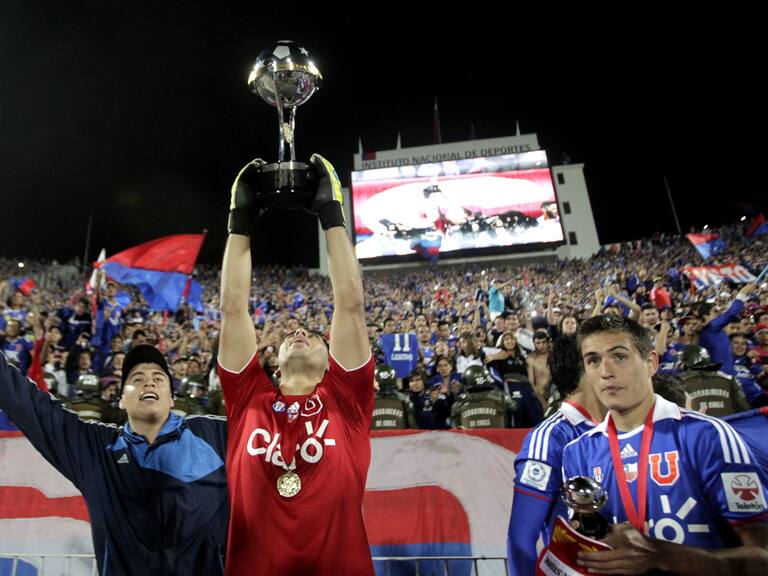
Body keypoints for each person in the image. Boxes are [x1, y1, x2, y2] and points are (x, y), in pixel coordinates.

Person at [218, 154, 375, 575]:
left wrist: (331, 214)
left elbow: (351, 304)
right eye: (289, 335)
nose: (300, 333)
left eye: (312, 335)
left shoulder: (348, 398)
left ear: (333, 362)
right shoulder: (247, 395)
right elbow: (233, 308)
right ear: (274, 361)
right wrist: (240, 221)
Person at [562, 315, 768, 575]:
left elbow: (763, 558)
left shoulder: (709, 436)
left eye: (620, 356)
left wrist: (665, 556)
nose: (606, 371)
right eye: (593, 360)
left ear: (651, 363)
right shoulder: (577, 452)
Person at [0, 344, 229, 575]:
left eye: (159, 378)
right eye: (137, 379)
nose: (149, 382)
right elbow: (23, 400)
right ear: (121, 401)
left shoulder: (215, 435)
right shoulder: (95, 449)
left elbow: (263, 419)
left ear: (171, 398)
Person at [507, 335, 606, 576]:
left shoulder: (622, 428)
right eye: (607, 358)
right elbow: (521, 539)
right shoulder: (549, 438)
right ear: (588, 367)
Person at [371, 364, 416, 429]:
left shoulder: (368, 401)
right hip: (399, 438)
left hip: (376, 438)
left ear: (376, 379)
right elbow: (412, 426)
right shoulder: (404, 399)